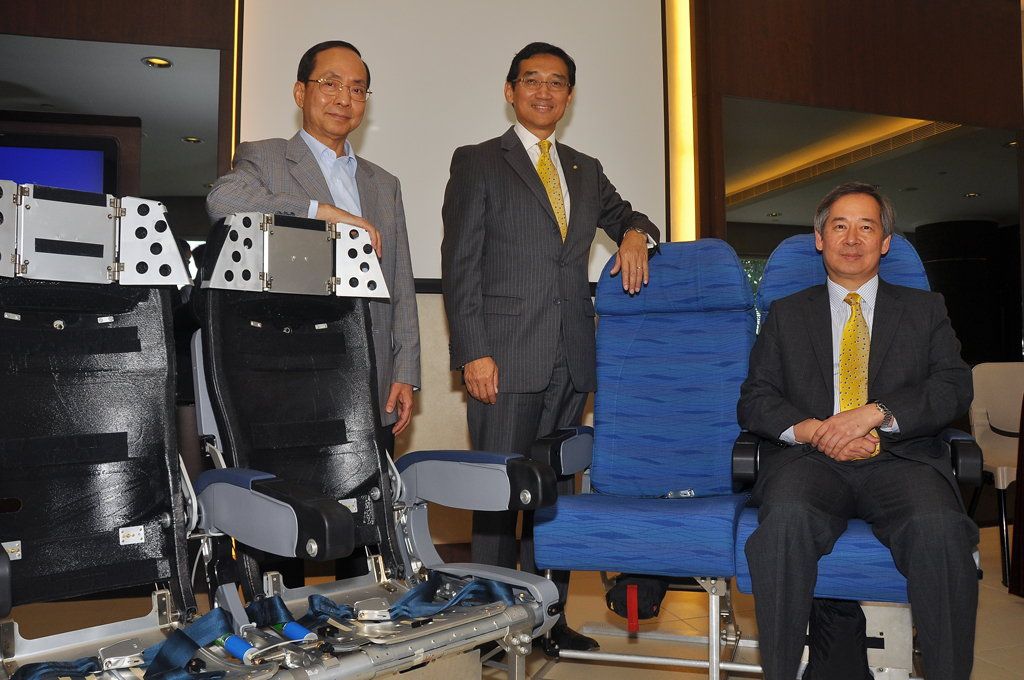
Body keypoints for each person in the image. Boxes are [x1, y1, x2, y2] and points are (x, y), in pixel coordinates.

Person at [440, 42, 659, 653]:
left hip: (572, 355)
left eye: (557, 83)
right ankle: (487, 626)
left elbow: (630, 216)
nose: (544, 92)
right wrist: (472, 351)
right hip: (503, 355)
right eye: (531, 81)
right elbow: (459, 264)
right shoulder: (479, 161)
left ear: (569, 96)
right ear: (510, 91)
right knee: (498, 495)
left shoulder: (585, 168)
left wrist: (636, 234)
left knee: (553, 498)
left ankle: (547, 620)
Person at [737, 182, 978, 680]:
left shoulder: (925, 309)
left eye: (866, 226)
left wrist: (877, 412)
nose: (852, 238)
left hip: (902, 460)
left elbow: (953, 387)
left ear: (885, 241)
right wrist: (812, 430)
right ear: (819, 239)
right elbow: (755, 399)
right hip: (810, 463)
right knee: (782, 523)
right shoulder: (786, 314)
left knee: (941, 531)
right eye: (839, 226)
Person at [207, 40, 419, 451]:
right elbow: (222, 202)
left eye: (357, 89)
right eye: (331, 83)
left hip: (371, 374)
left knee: (369, 502)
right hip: (291, 367)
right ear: (301, 92)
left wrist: (405, 370)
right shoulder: (266, 157)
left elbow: (401, 281)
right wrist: (319, 211)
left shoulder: (384, 183)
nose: (345, 98)